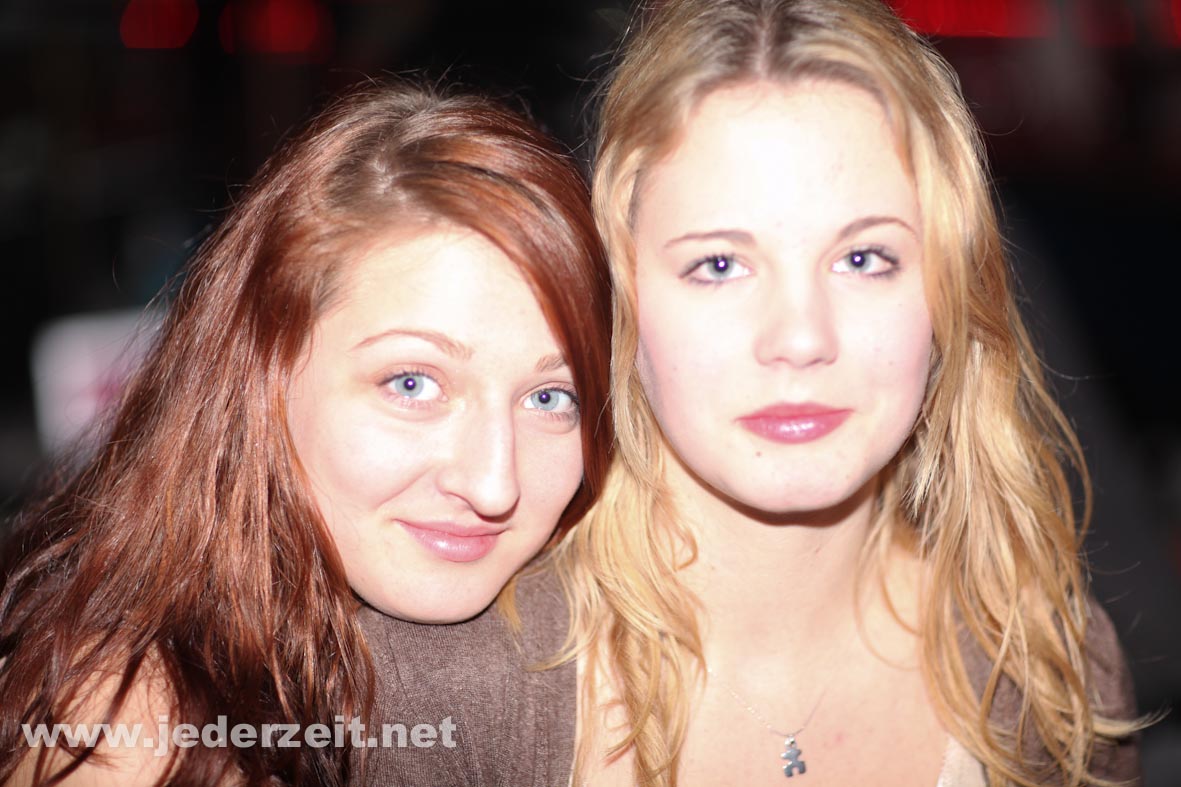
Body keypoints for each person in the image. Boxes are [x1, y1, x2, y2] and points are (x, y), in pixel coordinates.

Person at [550, 0, 1143, 784]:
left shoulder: (1049, 666)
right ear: (619, 298)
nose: (801, 338)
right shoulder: (464, 679)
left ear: (948, 294)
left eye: (862, 259)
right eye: (719, 265)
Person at [0, 82, 611, 786]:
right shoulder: (130, 732)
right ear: (263, 373)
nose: (493, 485)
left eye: (549, 398)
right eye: (412, 384)